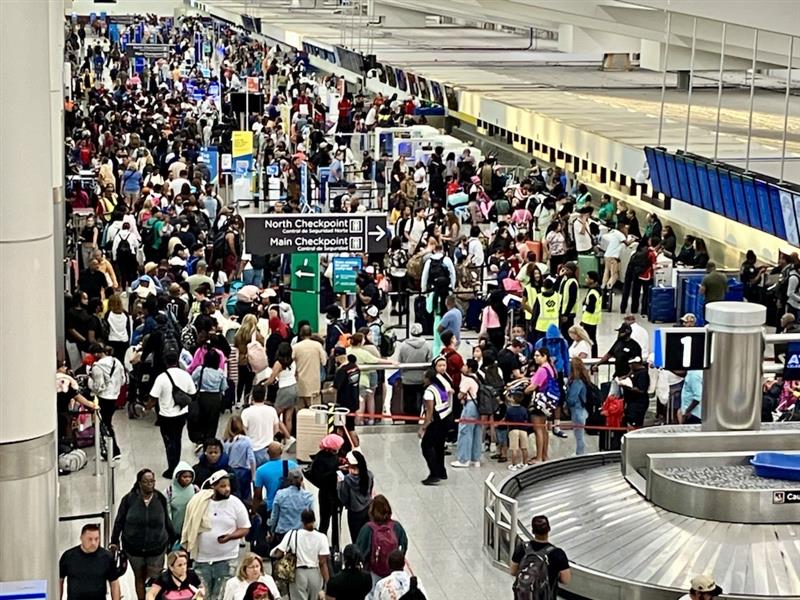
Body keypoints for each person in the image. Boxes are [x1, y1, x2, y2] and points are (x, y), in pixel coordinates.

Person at [182, 471, 251, 600]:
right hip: (202, 559)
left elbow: (245, 528)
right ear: (213, 486)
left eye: (228, 486)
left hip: (226, 559)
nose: (227, 489)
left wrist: (230, 536)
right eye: (223, 486)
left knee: (221, 596)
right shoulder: (200, 502)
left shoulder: (236, 503)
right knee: (202, 595)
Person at [111, 469, 176, 600]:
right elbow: (119, 521)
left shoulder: (160, 498)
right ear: (139, 483)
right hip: (134, 549)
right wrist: (114, 540)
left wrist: (173, 540)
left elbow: (166, 520)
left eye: (152, 481)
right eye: (146, 482)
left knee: (155, 579)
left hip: (156, 548)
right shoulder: (129, 499)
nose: (149, 484)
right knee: (139, 577)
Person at [147, 352, 197, 478]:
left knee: (169, 442)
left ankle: (171, 468)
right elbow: (193, 393)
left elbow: (153, 397)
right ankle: (176, 465)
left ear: (165, 362)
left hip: (166, 415)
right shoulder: (185, 375)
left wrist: (146, 408)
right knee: (177, 439)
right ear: (177, 361)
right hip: (181, 414)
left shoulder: (162, 378)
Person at [270, 509, 330, 600]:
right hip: (315, 574)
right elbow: (322, 562)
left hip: (298, 574)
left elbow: (278, 553)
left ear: (302, 521)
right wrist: (327, 580)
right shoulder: (322, 537)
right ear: (314, 520)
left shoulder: (293, 534)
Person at [355, 495, 409, 588]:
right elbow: (404, 546)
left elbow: (359, 552)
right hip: (393, 575)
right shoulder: (396, 527)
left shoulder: (367, 529)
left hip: (374, 573)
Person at [510, 515, 571, 598]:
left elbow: (513, 571)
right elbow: (566, 580)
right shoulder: (558, 553)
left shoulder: (522, 548)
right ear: (549, 529)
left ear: (532, 531)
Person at [59, 523, 121, 600]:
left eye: (96, 539)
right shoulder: (68, 556)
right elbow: (60, 581)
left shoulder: (107, 557)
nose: (93, 543)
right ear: (81, 538)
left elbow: (114, 583)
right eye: (90, 539)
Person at [88, 344, 125, 459]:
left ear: (96, 354)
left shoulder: (97, 366)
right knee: (107, 423)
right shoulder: (116, 362)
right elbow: (123, 380)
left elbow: (98, 386)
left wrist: (89, 381)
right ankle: (112, 451)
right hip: (114, 396)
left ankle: (112, 451)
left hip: (103, 398)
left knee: (104, 425)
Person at [306, 433, 344, 547]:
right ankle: (334, 546)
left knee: (325, 521)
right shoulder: (326, 460)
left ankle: (323, 544)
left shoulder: (319, 457)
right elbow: (322, 476)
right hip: (332, 495)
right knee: (333, 523)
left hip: (325, 494)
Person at [419, 360, 454, 485]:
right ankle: (441, 471)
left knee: (426, 446)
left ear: (429, 379)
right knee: (439, 446)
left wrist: (423, 427)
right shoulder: (440, 387)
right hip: (447, 417)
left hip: (437, 421)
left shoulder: (429, 391)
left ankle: (434, 473)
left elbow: (429, 411)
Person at [525, 347, 559, 464]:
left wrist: (524, 391)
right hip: (548, 402)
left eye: (538, 355)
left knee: (538, 428)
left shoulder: (541, 370)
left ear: (545, 356)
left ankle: (539, 457)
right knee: (543, 429)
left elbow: (533, 386)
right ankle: (544, 455)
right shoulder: (551, 368)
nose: (535, 358)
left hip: (540, 402)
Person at [191, 349, 228, 447]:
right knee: (213, 421)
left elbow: (192, 379)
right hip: (215, 398)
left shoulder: (200, 370)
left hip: (202, 397)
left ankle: (200, 440)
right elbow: (224, 387)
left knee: (201, 419)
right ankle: (210, 441)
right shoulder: (220, 372)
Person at [269, 469, 314, 547]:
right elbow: (311, 518)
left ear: (288, 481)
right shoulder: (308, 496)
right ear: (302, 480)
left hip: (282, 534)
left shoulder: (280, 494)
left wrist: (272, 531)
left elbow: (274, 516)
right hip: (301, 535)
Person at [451, 358, 483, 468]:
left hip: (470, 406)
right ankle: (475, 458)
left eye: (465, 365)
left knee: (465, 431)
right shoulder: (478, 377)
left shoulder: (467, 380)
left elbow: (460, 395)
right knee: (476, 432)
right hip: (479, 406)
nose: (463, 366)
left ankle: (463, 459)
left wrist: (460, 395)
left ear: (469, 368)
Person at [338, 450, 374, 542]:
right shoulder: (369, 475)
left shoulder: (347, 480)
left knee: (356, 539)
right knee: (367, 538)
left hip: (354, 513)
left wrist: (339, 484)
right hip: (368, 509)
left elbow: (344, 498)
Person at [396, 323, 432, 416]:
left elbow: (399, 361)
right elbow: (430, 361)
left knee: (408, 400)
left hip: (407, 378)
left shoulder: (403, 345)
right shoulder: (427, 345)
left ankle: (409, 419)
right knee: (421, 399)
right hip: (422, 378)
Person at [253, 441, 298, 514]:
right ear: (281, 452)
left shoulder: (260, 470)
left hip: (272, 507)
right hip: (292, 505)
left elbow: (257, 496)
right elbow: (301, 487)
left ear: (267, 453)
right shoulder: (293, 465)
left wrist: (253, 512)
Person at [242, 382, 280, 466]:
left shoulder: (246, 412)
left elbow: (243, 430)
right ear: (265, 396)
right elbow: (276, 429)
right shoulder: (272, 410)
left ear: (252, 396)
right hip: (268, 449)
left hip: (252, 449)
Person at [223, 416, 257, 502]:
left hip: (230, 471)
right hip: (244, 471)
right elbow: (251, 459)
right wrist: (253, 476)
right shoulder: (246, 440)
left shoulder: (226, 441)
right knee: (245, 497)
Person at [292, 324, 327, 408]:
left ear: (300, 334)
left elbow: (290, 363)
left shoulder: (295, 347)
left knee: (300, 414)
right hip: (314, 385)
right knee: (315, 412)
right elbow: (324, 362)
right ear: (311, 334)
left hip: (300, 384)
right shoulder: (317, 345)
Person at [234, 314, 265, 407]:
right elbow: (262, 343)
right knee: (249, 381)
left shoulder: (238, 333)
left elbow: (235, 345)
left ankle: (238, 400)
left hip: (241, 359)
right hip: (251, 361)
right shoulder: (255, 334)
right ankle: (246, 400)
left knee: (240, 381)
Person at [165, 462, 199, 540]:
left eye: (190, 477)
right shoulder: (169, 491)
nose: (187, 479)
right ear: (177, 476)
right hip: (174, 532)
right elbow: (167, 512)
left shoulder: (195, 490)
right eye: (184, 476)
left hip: (190, 531)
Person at [566, 357, 591, 455]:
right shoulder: (583, 380)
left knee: (579, 436)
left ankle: (579, 454)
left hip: (577, 410)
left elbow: (572, 398)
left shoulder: (577, 382)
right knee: (579, 435)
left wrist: (566, 401)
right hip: (580, 410)